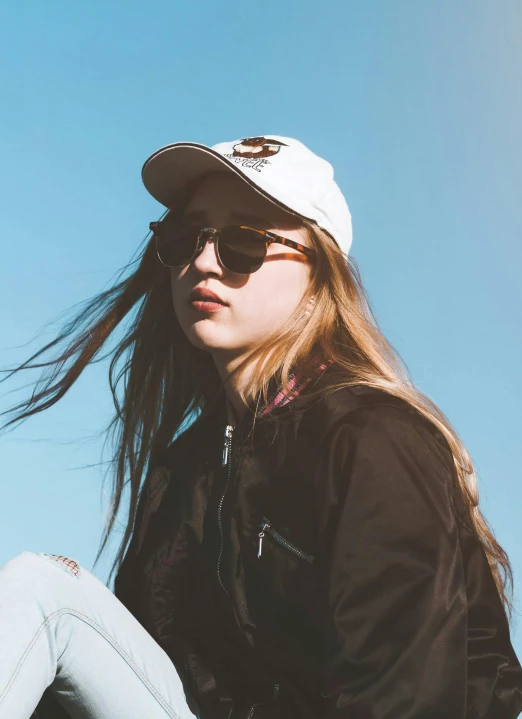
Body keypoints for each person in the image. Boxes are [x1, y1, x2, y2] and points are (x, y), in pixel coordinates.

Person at [0, 135, 521, 719]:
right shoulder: (184, 467)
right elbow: (143, 660)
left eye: (245, 243)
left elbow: (402, 699)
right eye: (184, 237)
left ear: (320, 276)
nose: (202, 261)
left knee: (44, 597)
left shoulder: (375, 444)